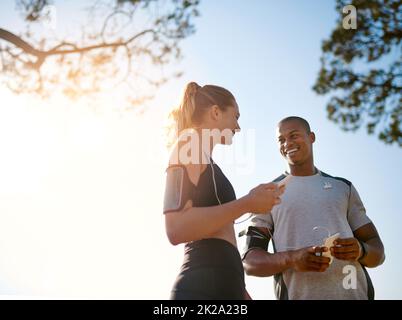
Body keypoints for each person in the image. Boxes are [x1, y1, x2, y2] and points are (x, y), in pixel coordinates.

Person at [163, 82, 285, 300]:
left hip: (227, 284)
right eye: (236, 116)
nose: (238, 127)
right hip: (201, 288)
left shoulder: (209, 163)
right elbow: (176, 228)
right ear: (216, 112)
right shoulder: (187, 144)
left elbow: (222, 233)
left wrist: (240, 290)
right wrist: (248, 203)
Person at [242, 116, 385, 300]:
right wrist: (292, 258)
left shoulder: (343, 187)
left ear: (312, 137)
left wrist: (360, 250)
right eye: (281, 139)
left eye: (294, 135)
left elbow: (378, 252)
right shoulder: (268, 193)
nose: (287, 143)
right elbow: (250, 262)